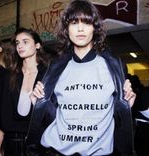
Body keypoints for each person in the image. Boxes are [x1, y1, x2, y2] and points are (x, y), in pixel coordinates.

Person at [27, 0, 136, 155]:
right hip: (54, 150)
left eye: (86, 22)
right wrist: (38, 104)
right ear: (66, 29)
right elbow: (54, 114)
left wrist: (125, 108)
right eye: (73, 22)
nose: (80, 28)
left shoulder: (113, 66)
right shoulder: (55, 67)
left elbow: (118, 119)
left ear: (95, 28)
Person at [0, 27, 48, 156]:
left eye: (25, 42)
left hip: (38, 143)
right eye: (17, 43)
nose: (20, 46)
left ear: (37, 45)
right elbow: (4, 112)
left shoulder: (47, 74)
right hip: (11, 142)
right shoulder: (10, 75)